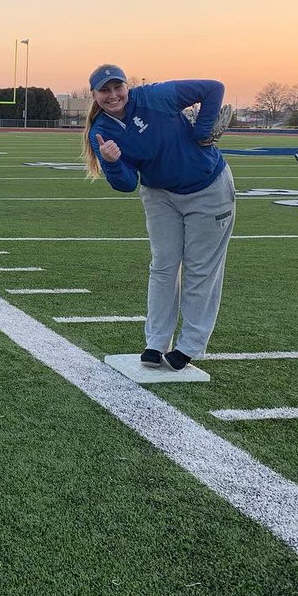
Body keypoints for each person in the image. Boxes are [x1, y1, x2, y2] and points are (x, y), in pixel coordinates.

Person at [81, 64, 235, 372]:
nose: (113, 95)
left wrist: (202, 132)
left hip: (208, 187)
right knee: (163, 265)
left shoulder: (154, 96)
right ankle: (156, 341)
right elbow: (126, 184)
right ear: (94, 94)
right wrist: (112, 162)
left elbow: (213, 86)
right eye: (105, 90)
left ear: (127, 85)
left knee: (200, 268)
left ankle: (189, 346)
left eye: (117, 87)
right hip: (159, 194)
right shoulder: (101, 131)